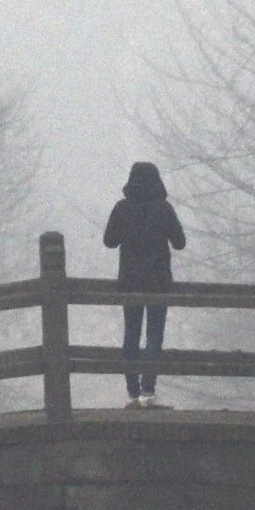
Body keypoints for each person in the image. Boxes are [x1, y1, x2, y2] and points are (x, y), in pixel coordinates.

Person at [103, 160, 185, 409]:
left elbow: (109, 241)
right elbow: (180, 242)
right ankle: (148, 391)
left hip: (130, 281)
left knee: (131, 334)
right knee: (154, 336)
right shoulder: (164, 209)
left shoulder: (121, 208)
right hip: (158, 281)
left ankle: (132, 390)